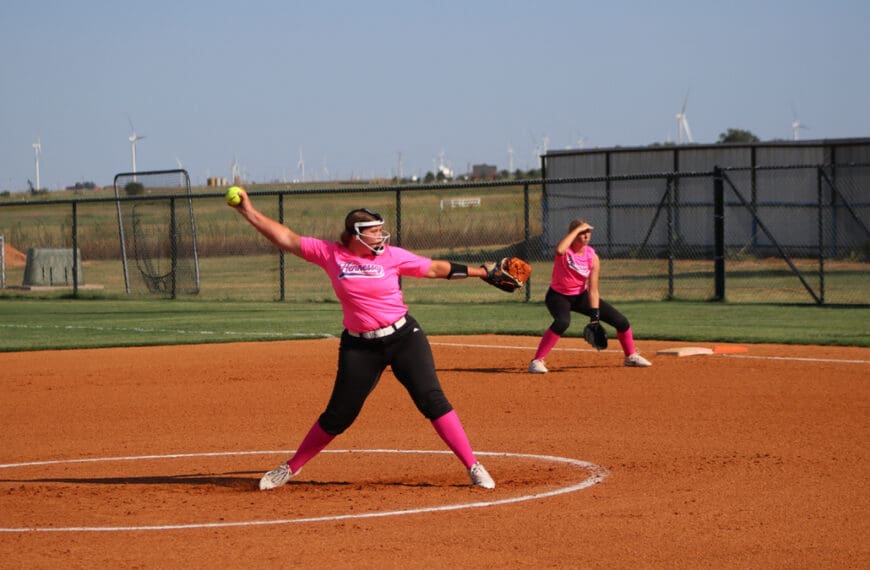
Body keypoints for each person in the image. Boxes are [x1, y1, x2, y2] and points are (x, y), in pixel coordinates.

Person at [228, 187, 496, 490]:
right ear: (356, 235)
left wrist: (481, 273)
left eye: (381, 230)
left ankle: (473, 465)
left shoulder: (393, 257)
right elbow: (286, 238)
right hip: (360, 346)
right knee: (339, 415)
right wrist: (246, 210)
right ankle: (291, 467)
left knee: (432, 399)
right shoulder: (331, 254)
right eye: (375, 231)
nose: (381, 236)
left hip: (404, 337)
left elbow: (435, 268)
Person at [528, 218, 652, 373]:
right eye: (582, 232)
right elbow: (559, 250)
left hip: (581, 296)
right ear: (573, 235)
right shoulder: (566, 252)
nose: (586, 235)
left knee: (621, 321)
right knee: (562, 322)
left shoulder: (592, 257)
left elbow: (593, 289)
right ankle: (536, 361)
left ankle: (630, 356)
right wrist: (575, 230)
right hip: (558, 296)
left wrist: (595, 317)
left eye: (588, 232)